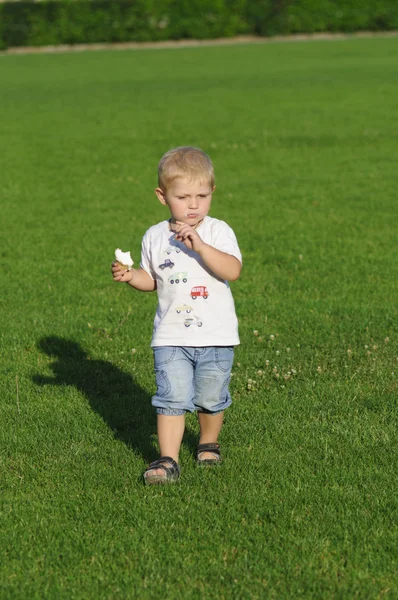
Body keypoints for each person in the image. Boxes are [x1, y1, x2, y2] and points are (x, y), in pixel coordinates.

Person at [111, 146, 242, 484]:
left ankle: (207, 442)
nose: (193, 204)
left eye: (201, 195)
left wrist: (199, 245)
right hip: (171, 336)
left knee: (211, 397)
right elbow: (151, 280)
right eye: (183, 197)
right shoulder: (155, 236)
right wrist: (131, 277)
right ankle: (167, 460)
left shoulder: (217, 232)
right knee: (170, 396)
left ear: (213, 192)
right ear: (162, 196)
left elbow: (233, 269)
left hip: (216, 334)